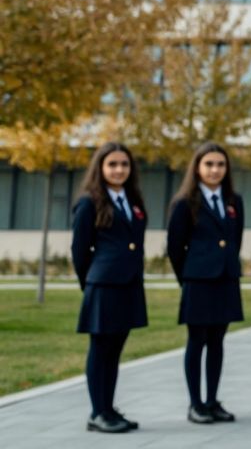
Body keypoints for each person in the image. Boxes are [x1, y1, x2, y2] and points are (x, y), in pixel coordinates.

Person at [71, 141, 148, 434]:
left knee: (115, 350)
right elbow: (79, 250)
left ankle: (109, 407)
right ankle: (97, 412)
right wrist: (90, 283)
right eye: (112, 164)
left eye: (124, 164)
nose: (118, 170)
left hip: (128, 284)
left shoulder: (133, 200)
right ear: (101, 168)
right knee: (100, 348)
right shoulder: (89, 202)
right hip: (103, 284)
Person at [166, 142, 244, 424]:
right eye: (209, 164)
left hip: (225, 280)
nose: (215, 170)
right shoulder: (184, 202)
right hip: (198, 281)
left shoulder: (234, 201)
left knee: (218, 341)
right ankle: (195, 403)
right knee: (196, 341)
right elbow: (175, 247)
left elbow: (235, 240)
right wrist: (187, 278)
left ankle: (212, 400)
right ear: (197, 168)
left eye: (220, 165)